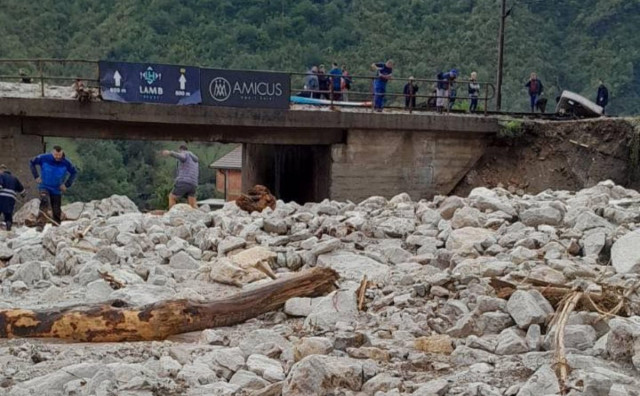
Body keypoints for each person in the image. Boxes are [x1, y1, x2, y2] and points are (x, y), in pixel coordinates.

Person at [29, 145, 77, 229]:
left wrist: (67, 184)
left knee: (56, 208)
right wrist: (36, 176)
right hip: (44, 185)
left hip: (57, 188)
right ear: (52, 153)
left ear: (62, 153)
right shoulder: (44, 158)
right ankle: (40, 224)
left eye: (60, 155)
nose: (58, 157)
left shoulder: (66, 162)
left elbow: (74, 172)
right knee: (44, 201)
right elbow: (32, 162)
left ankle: (56, 225)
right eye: (56, 155)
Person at [161, 144, 199, 209]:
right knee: (192, 204)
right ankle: (198, 216)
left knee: (172, 197)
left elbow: (182, 156)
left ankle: (172, 215)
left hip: (184, 181)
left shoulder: (185, 154)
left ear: (180, 150)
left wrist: (170, 153)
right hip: (193, 184)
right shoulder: (195, 160)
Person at [0, 165, 25, 231]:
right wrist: (23, 196)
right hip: (11, 198)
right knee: (8, 214)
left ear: (1, 170)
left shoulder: (1, 175)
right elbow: (22, 190)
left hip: (1, 197)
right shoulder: (14, 178)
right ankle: (8, 226)